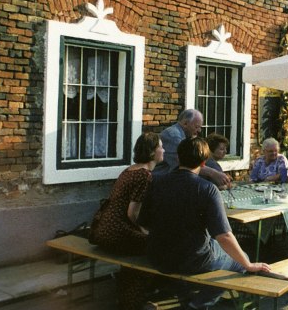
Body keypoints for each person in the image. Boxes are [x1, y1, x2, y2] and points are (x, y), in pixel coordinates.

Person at [138, 137, 271, 309]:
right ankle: (198, 304)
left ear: (178, 158)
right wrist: (249, 265)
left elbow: (144, 222)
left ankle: (186, 297)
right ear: (204, 162)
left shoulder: (156, 181)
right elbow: (224, 236)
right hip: (193, 259)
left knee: (209, 247)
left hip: (157, 256)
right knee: (241, 260)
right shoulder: (207, 189)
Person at [89, 132, 163, 310]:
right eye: (161, 146)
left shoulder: (130, 170)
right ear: (152, 152)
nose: (164, 150)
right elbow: (132, 214)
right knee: (158, 247)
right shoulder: (145, 175)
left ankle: (128, 292)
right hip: (117, 233)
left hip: (103, 229)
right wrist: (145, 231)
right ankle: (135, 299)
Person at [154, 109, 231, 188]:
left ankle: (220, 185)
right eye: (197, 127)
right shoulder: (173, 136)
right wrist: (214, 174)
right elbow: (185, 164)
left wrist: (219, 174)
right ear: (185, 123)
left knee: (210, 162)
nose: (199, 130)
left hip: (178, 176)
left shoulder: (186, 136)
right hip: (164, 178)